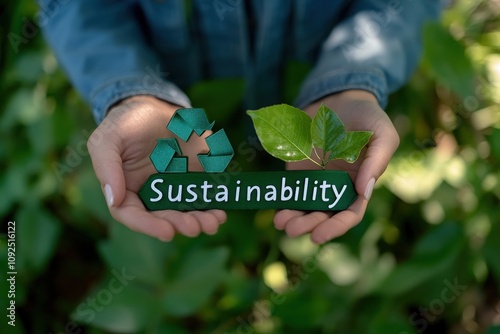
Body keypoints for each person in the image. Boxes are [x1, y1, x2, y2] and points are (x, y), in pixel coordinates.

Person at [40, 0, 441, 244]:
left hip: (312, 108)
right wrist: (133, 92)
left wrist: (351, 83)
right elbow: (75, 7)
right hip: (183, 115)